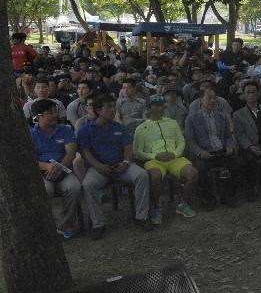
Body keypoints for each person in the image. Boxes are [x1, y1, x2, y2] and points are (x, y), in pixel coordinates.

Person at [78, 94, 151, 240]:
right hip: (99, 167)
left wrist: (125, 163)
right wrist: (99, 166)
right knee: (88, 184)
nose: (113, 110)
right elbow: (85, 153)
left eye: (114, 106)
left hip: (120, 164)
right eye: (109, 107)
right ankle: (98, 224)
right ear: (98, 110)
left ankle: (141, 217)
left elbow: (128, 148)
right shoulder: (86, 129)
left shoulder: (119, 127)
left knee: (141, 175)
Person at [133, 95, 198, 224]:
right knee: (155, 175)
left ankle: (183, 203)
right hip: (154, 159)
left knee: (193, 173)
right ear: (149, 108)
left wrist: (174, 154)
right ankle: (156, 207)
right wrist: (154, 156)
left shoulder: (172, 123)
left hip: (174, 157)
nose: (160, 108)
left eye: (162, 105)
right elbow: (137, 151)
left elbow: (181, 141)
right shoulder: (141, 128)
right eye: (156, 105)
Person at [30, 100, 82, 239]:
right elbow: (29, 159)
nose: (54, 115)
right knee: (45, 190)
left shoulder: (65, 129)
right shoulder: (31, 134)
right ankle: (47, 226)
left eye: (55, 111)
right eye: (50, 113)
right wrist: (47, 166)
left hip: (63, 169)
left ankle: (65, 225)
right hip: (42, 173)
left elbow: (71, 152)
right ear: (38, 116)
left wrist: (59, 167)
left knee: (74, 187)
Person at [185, 87, 244, 205]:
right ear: (201, 99)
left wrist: (229, 146)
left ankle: (227, 195)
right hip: (204, 153)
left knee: (239, 163)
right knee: (201, 168)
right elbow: (190, 141)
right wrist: (200, 152)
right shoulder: (191, 119)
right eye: (209, 98)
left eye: (214, 98)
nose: (213, 101)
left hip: (221, 151)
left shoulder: (222, 117)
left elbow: (228, 136)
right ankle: (208, 198)